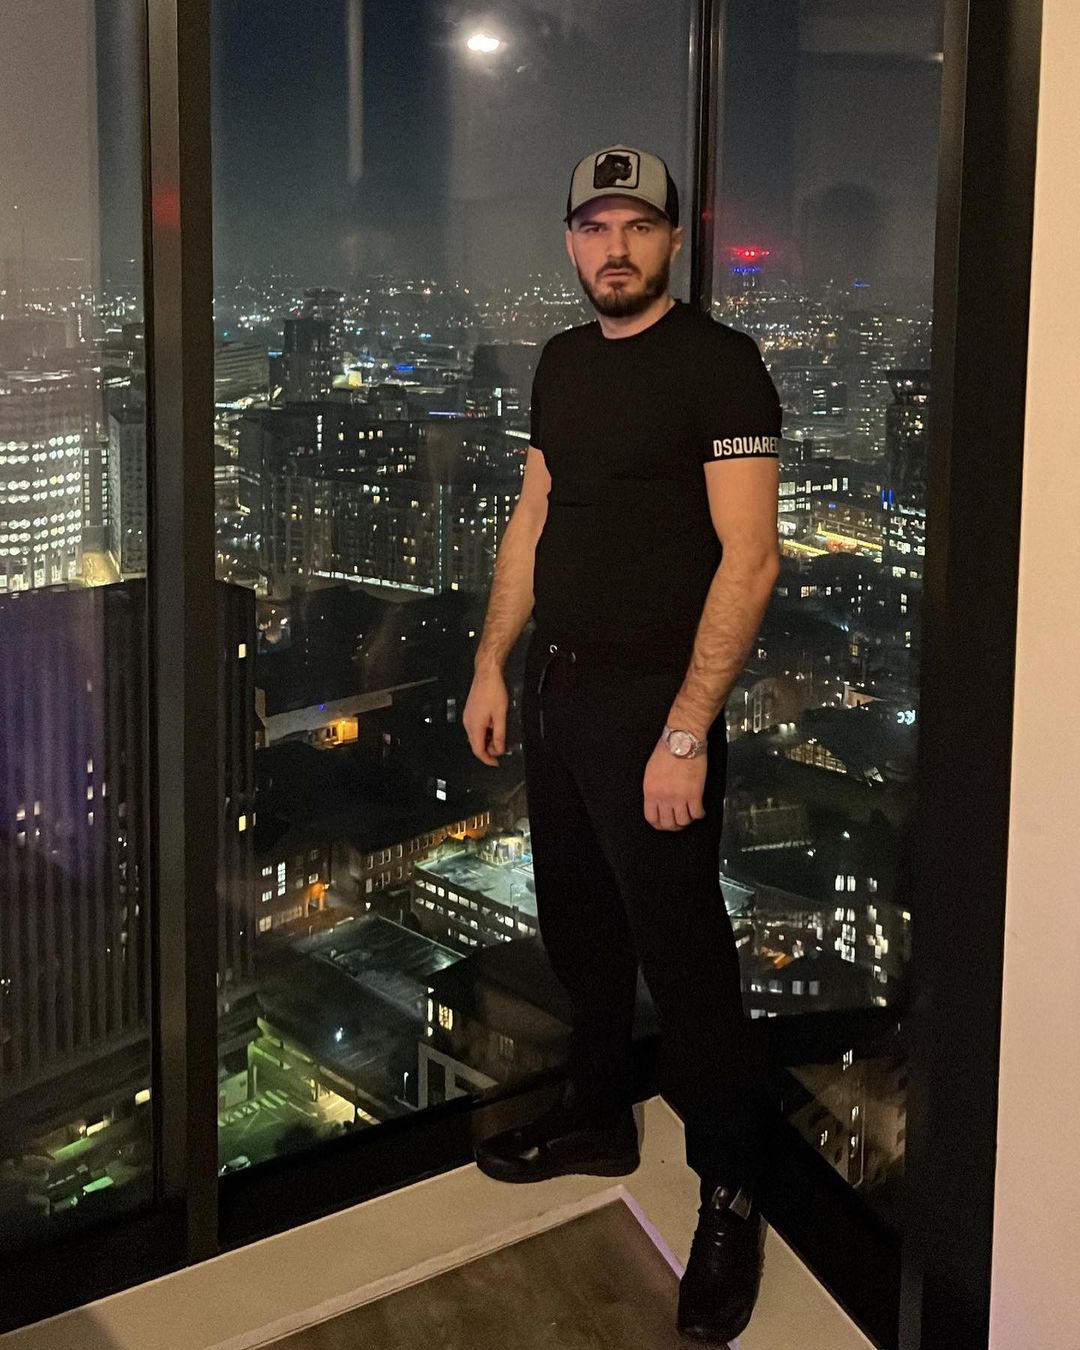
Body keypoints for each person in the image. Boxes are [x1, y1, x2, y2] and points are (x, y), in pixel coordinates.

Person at [462, 144, 783, 1345]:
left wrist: (687, 731)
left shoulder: (719, 367)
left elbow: (751, 558)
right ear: (570, 242)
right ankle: (599, 1113)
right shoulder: (560, 362)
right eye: (595, 227)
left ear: (673, 239)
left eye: (637, 226)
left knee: (686, 958)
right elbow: (533, 515)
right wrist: (492, 660)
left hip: (658, 703)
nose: (615, 247)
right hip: (560, 687)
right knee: (580, 925)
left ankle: (732, 1190)